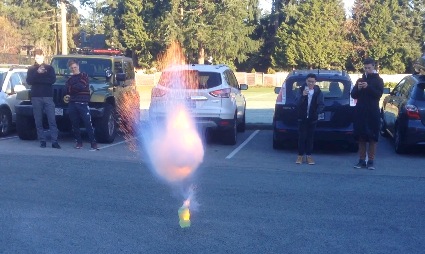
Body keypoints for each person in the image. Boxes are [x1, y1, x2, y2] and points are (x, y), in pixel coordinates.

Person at [351, 57, 384, 170]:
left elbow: (378, 94)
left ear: (373, 67)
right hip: (361, 111)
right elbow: (353, 95)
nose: (367, 70)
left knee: (372, 137)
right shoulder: (360, 80)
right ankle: (361, 160)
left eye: (369, 68)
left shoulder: (378, 80)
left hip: (373, 111)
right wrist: (359, 88)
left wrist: (368, 87)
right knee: (361, 137)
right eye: (365, 68)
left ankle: (371, 161)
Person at [26, 49, 61, 149]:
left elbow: (52, 80)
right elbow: (29, 81)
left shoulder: (49, 68)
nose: (38, 59)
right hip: (36, 96)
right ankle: (42, 141)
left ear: (43, 56)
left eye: (39, 57)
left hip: (48, 96)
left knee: (52, 119)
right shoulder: (32, 69)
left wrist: (39, 80)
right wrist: (37, 73)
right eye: (36, 58)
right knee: (38, 120)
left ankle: (54, 141)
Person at [65, 59, 98, 150]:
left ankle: (93, 142)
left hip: (83, 103)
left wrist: (73, 87)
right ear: (69, 68)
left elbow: (81, 85)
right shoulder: (69, 79)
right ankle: (79, 142)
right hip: (72, 104)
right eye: (72, 68)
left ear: (78, 66)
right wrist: (74, 88)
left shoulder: (84, 75)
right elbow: (68, 89)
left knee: (88, 123)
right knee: (75, 124)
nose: (74, 69)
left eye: (75, 67)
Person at [294, 73, 324, 165]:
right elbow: (297, 103)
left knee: (310, 137)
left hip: (312, 118)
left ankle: (309, 156)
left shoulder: (318, 92)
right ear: (306, 81)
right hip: (302, 118)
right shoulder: (300, 90)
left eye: (312, 82)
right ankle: (300, 156)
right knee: (302, 137)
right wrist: (303, 95)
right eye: (309, 81)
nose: (311, 83)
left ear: (315, 82)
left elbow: (322, 104)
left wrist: (316, 113)